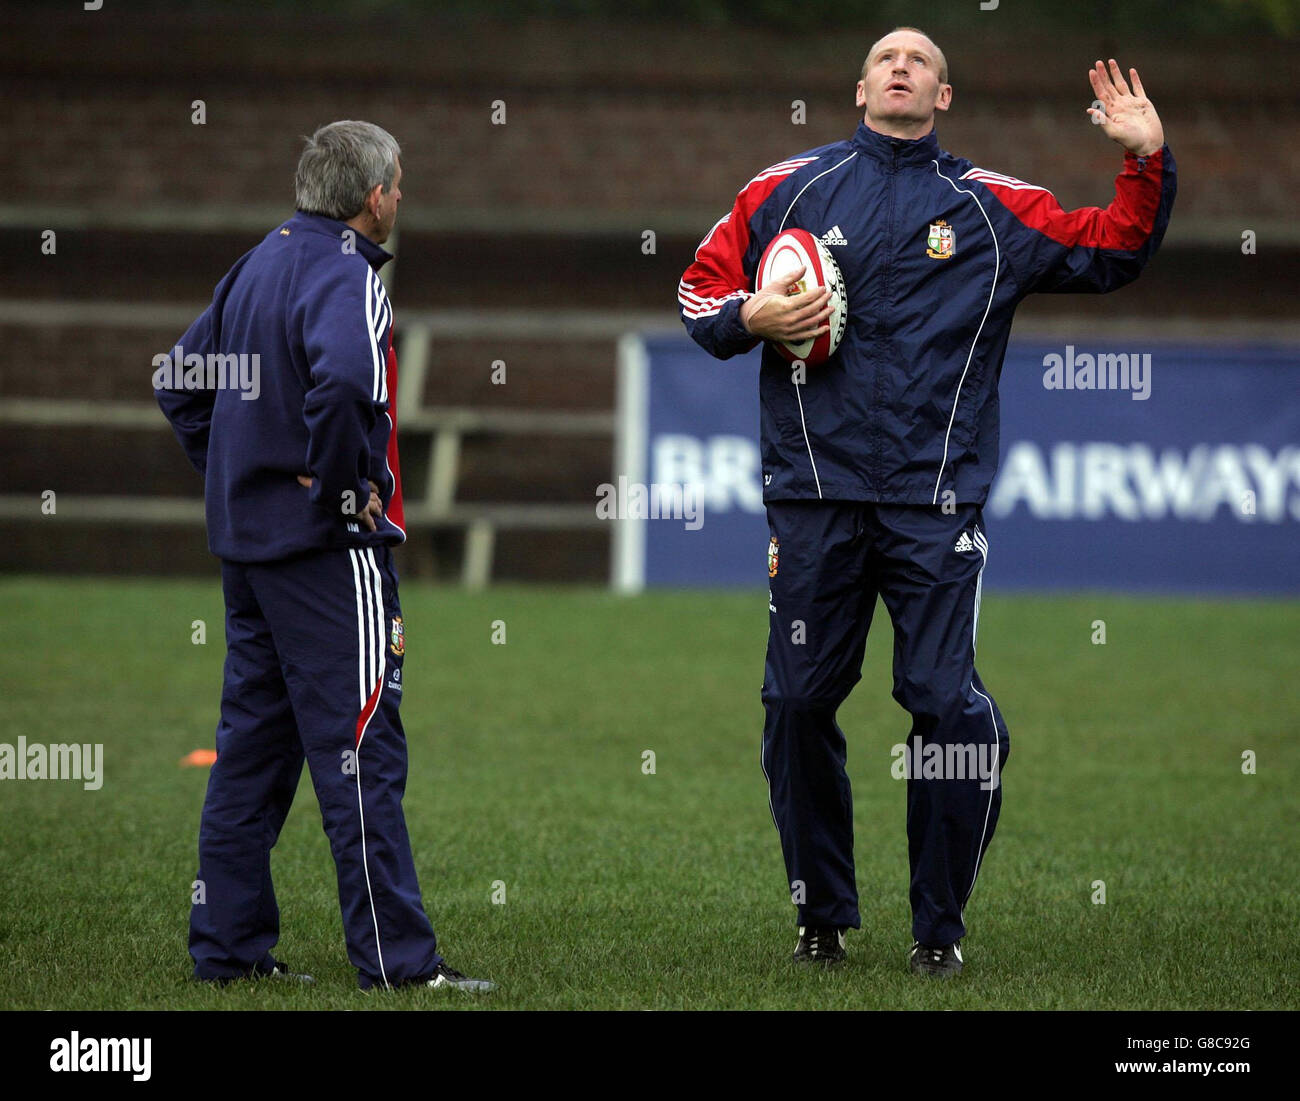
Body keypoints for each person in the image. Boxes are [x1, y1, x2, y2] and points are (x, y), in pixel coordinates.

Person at [678, 28, 1174, 976]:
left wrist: (1143, 158)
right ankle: (819, 914)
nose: (901, 67)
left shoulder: (992, 209)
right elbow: (700, 290)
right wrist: (754, 314)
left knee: (947, 711)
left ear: (942, 98)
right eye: (884, 58)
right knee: (794, 701)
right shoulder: (784, 191)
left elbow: (1115, 247)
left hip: (935, 505)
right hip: (814, 497)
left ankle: (935, 928)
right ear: (858, 84)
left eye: (921, 63)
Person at [155, 119, 493, 992]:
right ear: (374, 196)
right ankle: (399, 963)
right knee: (362, 748)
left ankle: (227, 951)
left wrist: (238, 471)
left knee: (253, 755)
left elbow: (176, 381)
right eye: (400, 185)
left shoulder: (256, 262)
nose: (401, 199)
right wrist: (342, 492)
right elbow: (344, 383)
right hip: (325, 556)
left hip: (250, 552)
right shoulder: (349, 272)